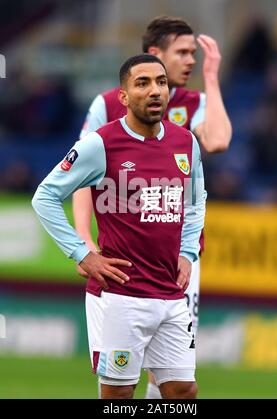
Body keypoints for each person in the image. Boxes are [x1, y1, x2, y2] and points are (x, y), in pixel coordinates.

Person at [73, 16, 231, 398]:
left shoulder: (194, 103)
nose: (190, 60)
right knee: (122, 383)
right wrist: (84, 242)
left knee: (171, 380)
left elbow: (219, 140)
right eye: (182, 53)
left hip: (178, 260)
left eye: (194, 53)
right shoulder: (109, 104)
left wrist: (212, 77)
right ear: (154, 54)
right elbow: (79, 177)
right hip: (125, 258)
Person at [32, 54, 207, 399]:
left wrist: (187, 252)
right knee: (119, 395)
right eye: (142, 83)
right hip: (120, 295)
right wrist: (82, 253)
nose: (155, 90)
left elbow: (195, 200)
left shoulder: (185, 143)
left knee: (183, 391)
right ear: (124, 97)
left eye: (160, 82)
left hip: (170, 292)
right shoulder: (100, 143)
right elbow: (45, 197)